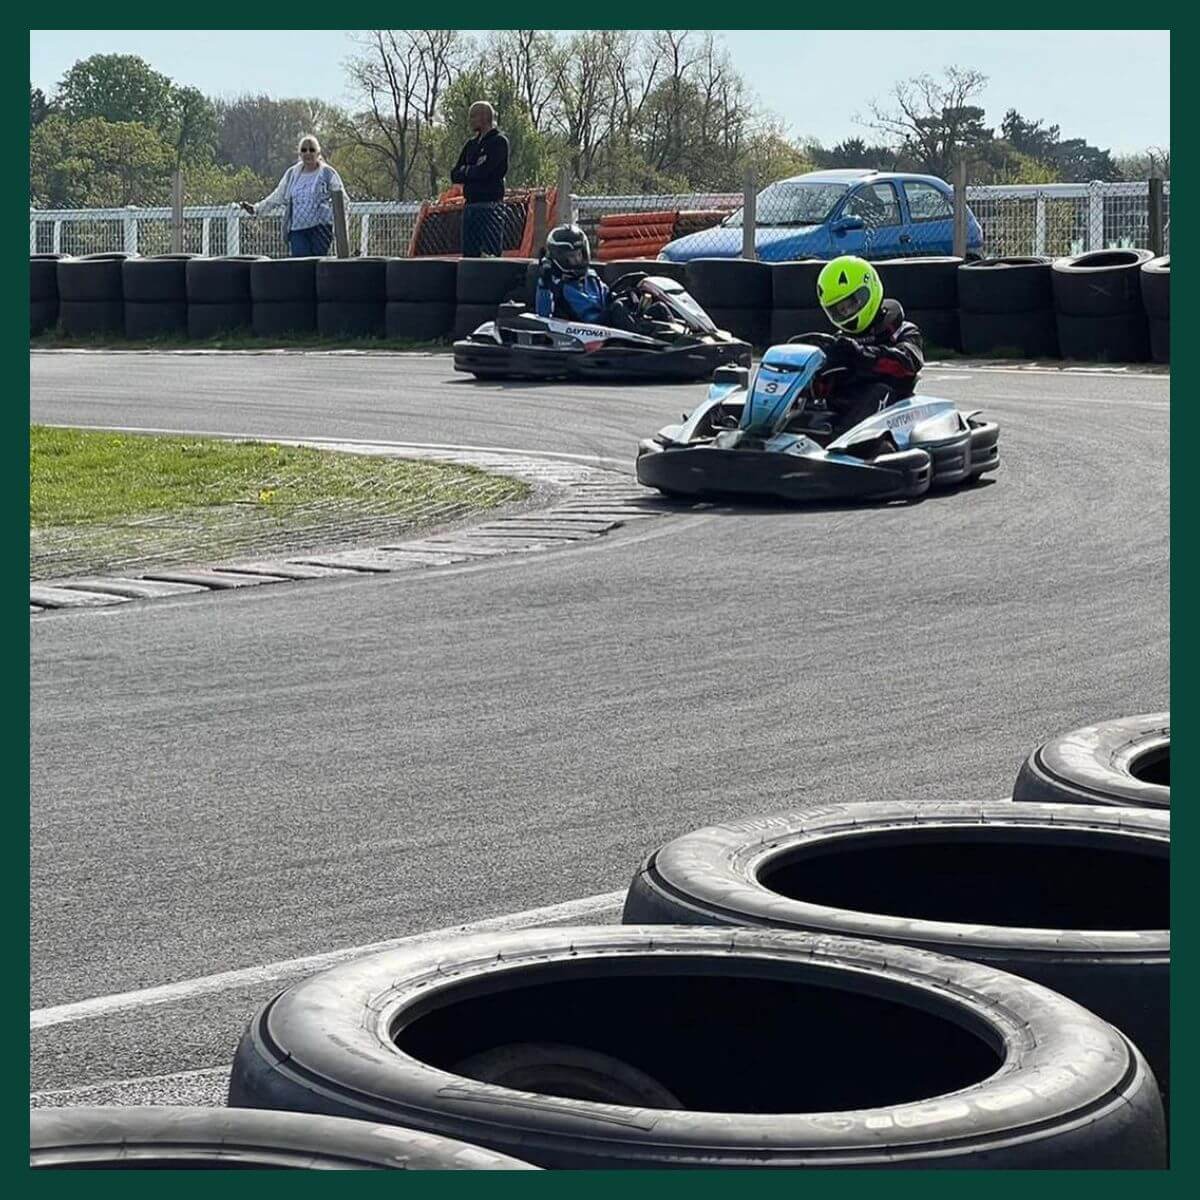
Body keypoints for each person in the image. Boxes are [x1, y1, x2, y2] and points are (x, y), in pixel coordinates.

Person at [803, 255, 924, 432]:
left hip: (891, 409)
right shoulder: (840, 343)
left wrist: (860, 354)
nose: (846, 313)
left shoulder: (903, 331)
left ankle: (843, 449)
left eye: (850, 305)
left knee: (878, 392)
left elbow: (907, 364)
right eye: (840, 310)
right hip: (842, 407)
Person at [240, 135, 346, 257]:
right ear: (300, 154)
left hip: (321, 229)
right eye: (304, 150)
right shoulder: (292, 174)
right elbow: (277, 196)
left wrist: (340, 229)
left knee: (317, 264)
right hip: (297, 229)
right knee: (300, 266)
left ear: (318, 153)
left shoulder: (327, 173)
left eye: (312, 150)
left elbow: (343, 200)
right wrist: (257, 209)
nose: (308, 153)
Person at [450, 102, 510, 258]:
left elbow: (487, 171)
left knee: (490, 253)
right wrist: (472, 170)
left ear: (484, 117)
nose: (470, 120)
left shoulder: (498, 142)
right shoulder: (471, 145)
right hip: (470, 206)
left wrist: (468, 171)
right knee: (469, 254)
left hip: (490, 207)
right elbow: (455, 174)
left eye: (473, 116)